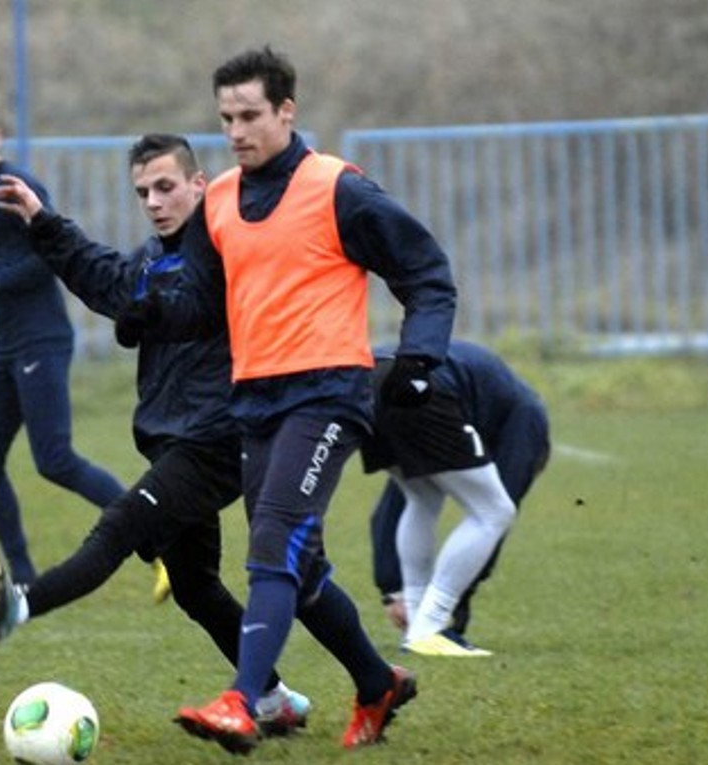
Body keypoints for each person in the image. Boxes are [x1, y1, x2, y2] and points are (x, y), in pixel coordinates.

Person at [138, 47, 457, 753]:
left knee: (273, 539)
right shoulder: (217, 198)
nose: (237, 130)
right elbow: (192, 297)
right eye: (226, 118)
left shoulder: (338, 189)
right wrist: (136, 306)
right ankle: (376, 681)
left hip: (328, 394)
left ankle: (242, 700)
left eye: (251, 115)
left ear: (287, 110)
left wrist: (420, 360)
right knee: (300, 567)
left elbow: (429, 275)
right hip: (253, 402)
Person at [0, 133, 310, 734]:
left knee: (121, 526)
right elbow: (102, 274)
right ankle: (277, 697)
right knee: (195, 587)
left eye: (165, 187)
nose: (154, 201)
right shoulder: (152, 262)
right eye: (142, 192)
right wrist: (43, 222)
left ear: (198, 184)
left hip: (215, 439)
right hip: (171, 438)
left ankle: (22, 605)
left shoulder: (224, 256)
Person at [0, 100, 128, 587]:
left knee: (55, 460)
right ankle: (21, 577)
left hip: (42, 341)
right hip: (10, 344)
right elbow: (8, 266)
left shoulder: (12, 187)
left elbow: (50, 257)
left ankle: (158, 530)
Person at [364, 340, 549, 657]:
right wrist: (462, 592)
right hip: (418, 385)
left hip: (365, 379)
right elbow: (507, 497)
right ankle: (430, 627)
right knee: (495, 512)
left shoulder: (502, 395)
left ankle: (415, 611)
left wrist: (390, 587)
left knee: (422, 497)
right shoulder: (527, 418)